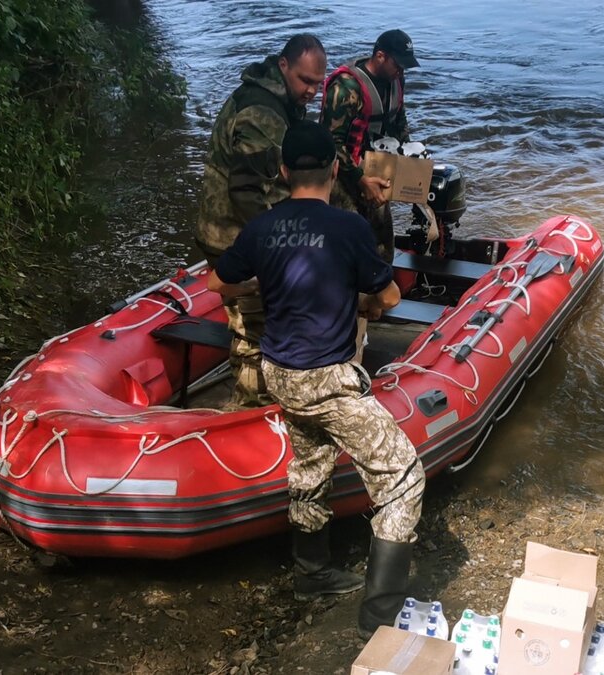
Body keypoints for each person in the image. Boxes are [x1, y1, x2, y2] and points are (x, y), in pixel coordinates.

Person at [207, 121, 426, 639]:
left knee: (309, 465)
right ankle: (379, 622)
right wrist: (362, 300)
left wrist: (265, 279)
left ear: (283, 172)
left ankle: (313, 574)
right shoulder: (348, 228)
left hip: (278, 372)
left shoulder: (261, 228)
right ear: (333, 169)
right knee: (403, 479)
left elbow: (219, 281)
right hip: (326, 379)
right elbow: (390, 297)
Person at [194, 34, 328, 409]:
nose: (312, 92)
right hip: (234, 236)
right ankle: (249, 412)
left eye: (318, 84)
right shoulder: (262, 113)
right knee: (254, 332)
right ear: (284, 66)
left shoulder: (280, 99)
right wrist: (284, 249)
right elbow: (249, 192)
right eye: (305, 81)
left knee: (267, 321)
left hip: (239, 230)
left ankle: (268, 399)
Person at [320, 29, 421, 258]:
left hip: (378, 168)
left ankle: (381, 287)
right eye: (398, 64)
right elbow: (331, 143)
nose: (401, 71)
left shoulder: (396, 79)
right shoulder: (346, 87)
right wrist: (360, 179)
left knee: (383, 242)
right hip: (344, 176)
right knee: (347, 243)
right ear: (380, 56)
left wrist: (410, 158)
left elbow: (399, 121)